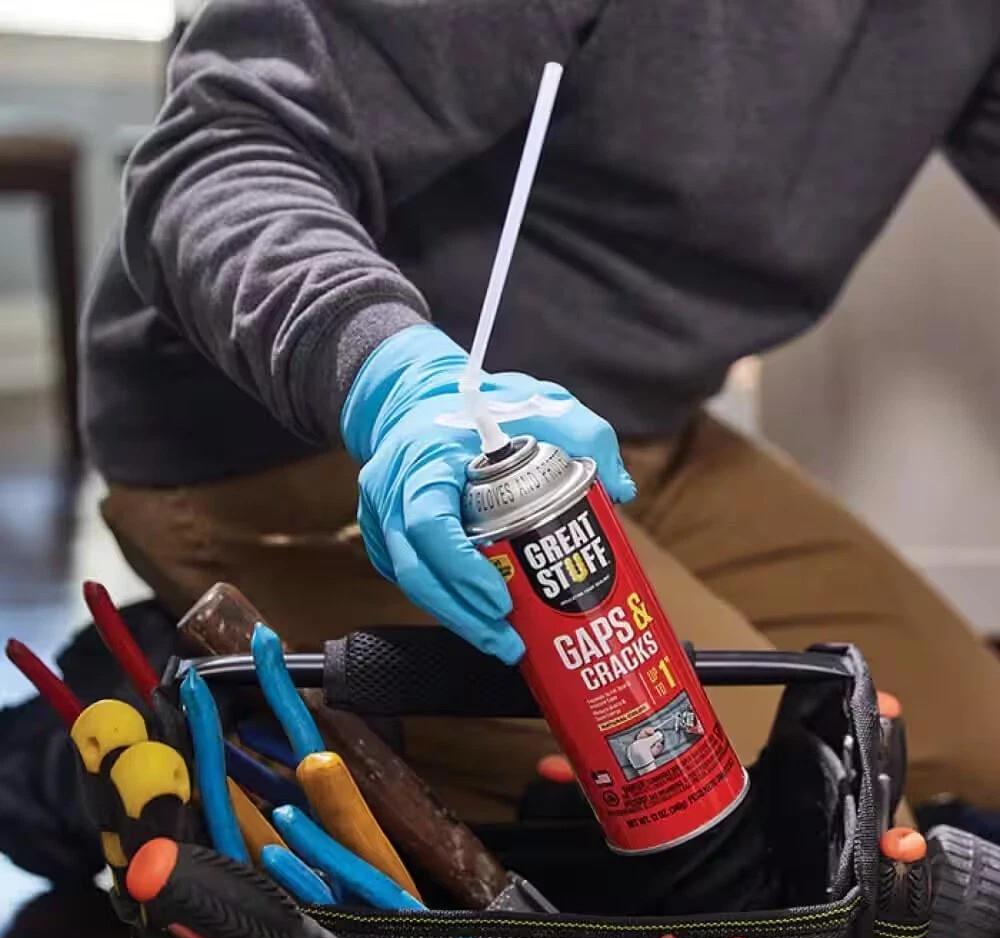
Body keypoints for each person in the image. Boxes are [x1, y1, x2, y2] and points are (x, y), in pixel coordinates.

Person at [82, 0, 1000, 822]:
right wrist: (392, 380)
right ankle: (181, 721)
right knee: (761, 808)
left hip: (622, 438)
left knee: (964, 759)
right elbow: (219, 150)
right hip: (304, 438)